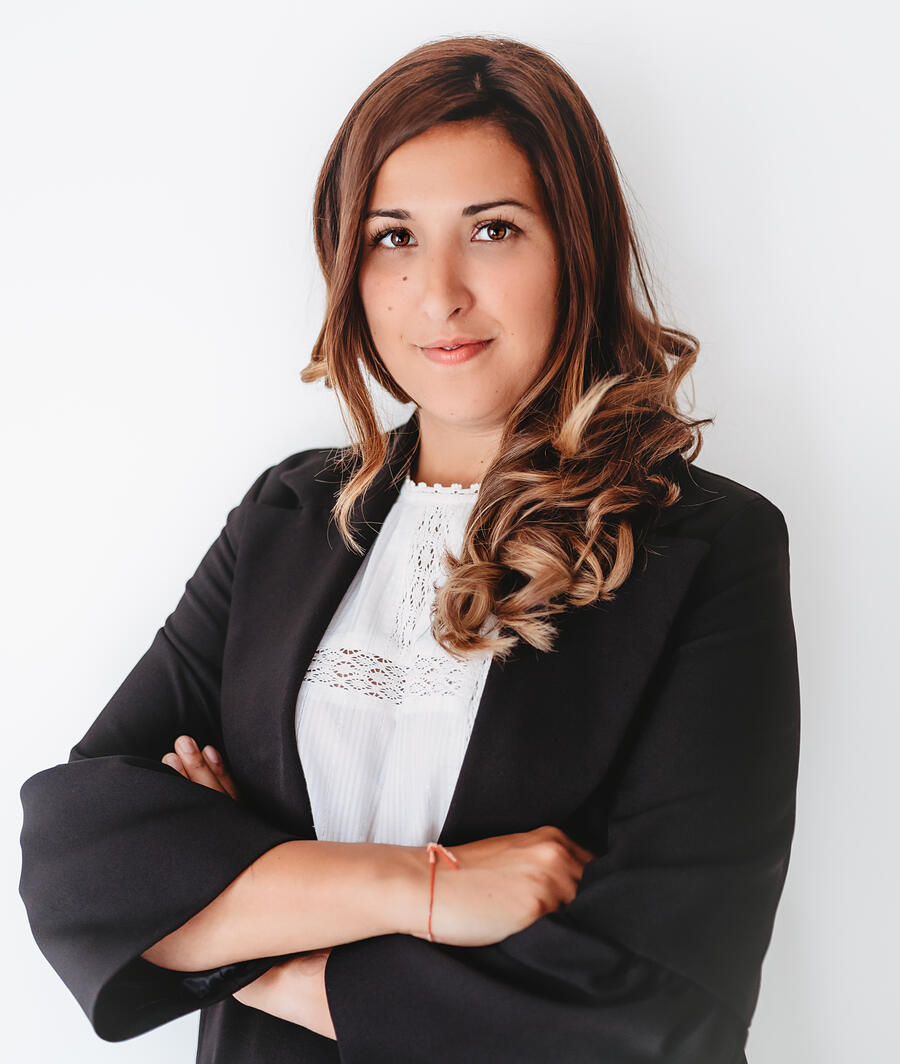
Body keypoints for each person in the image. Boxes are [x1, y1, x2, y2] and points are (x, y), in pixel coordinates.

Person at [18, 34, 800, 1064]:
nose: (439, 294)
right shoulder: (291, 514)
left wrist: (249, 940)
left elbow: (659, 1012)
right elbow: (78, 859)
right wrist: (425, 889)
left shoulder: (705, 547)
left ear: (576, 248)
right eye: (393, 237)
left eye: (493, 229)